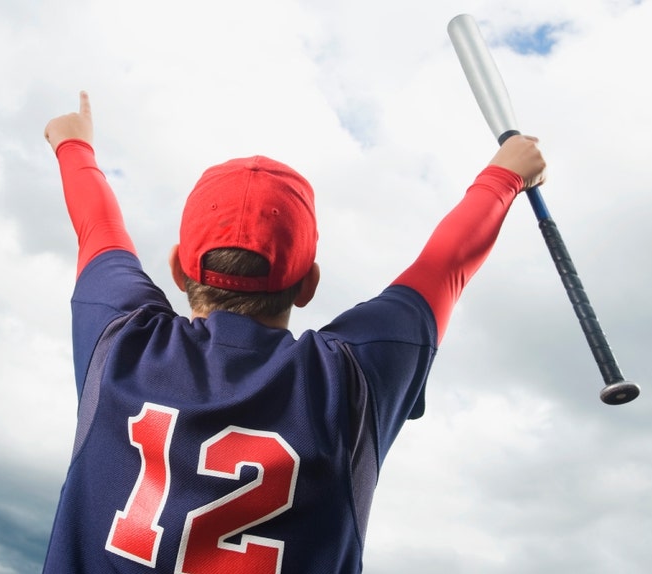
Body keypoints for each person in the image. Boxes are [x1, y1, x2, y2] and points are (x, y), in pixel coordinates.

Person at [40, 91, 545, 573]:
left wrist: (74, 142)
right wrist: (505, 176)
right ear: (308, 284)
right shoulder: (350, 379)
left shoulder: (122, 340)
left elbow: (97, 225)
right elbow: (446, 264)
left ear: (178, 268)